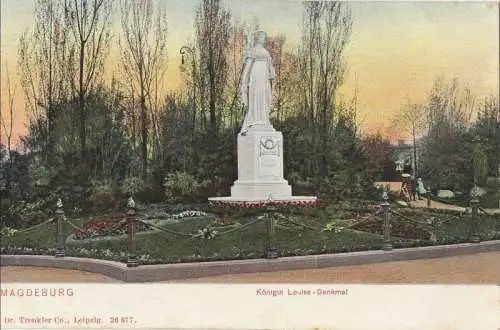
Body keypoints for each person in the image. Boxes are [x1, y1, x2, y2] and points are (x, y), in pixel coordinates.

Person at [239, 30, 276, 133]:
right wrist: (243, 83)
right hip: (255, 77)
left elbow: (270, 68)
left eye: (264, 37)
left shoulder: (266, 53)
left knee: (264, 97)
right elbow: (247, 69)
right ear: (258, 38)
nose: (264, 39)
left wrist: (273, 77)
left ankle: (264, 120)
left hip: (264, 79)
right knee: (255, 97)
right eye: (262, 37)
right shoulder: (253, 51)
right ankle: (254, 120)